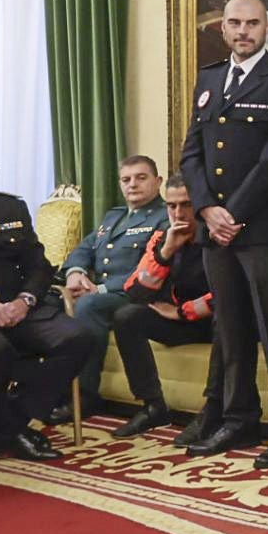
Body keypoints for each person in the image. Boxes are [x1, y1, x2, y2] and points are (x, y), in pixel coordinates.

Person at [181, 0, 268, 465]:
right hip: (215, 231)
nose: (243, 31)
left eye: (252, 23)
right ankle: (238, 418)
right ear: (223, 28)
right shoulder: (210, 78)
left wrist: (231, 212)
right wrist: (206, 210)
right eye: (235, 23)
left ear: (265, 29)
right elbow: (191, 152)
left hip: (259, 230)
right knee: (230, 329)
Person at [50, 155, 168, 421]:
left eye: (141, 178)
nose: (132, 185)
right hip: (99, 292)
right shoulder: (113, 217)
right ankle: (46, 390)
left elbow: (151, 269)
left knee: (89, 306)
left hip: (136, 296)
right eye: (126, 179)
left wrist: (99, 291)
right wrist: (76, 273)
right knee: (46, 303)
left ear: (158, 181)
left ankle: (86, 395)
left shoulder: (165, 217)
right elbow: (84, 248)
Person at [110, 173, 217, 438]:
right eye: (172, 206)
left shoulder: (217, 238)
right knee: (127, 316)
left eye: (186, 204)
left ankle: (212, 412)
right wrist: (165, 253)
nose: (178, 212)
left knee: (229, 319)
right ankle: (153, 407)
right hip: (181, 321)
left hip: (215, 320)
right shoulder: (162, 238)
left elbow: (228, 295)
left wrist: (183, 312)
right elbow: (135, 291)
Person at [0, 191, 89, 461]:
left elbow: (39, 266)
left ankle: (10, 422)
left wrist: (24, 301)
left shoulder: (10, 208)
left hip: (18, 308)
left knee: (76, 338)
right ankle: (13, 431)